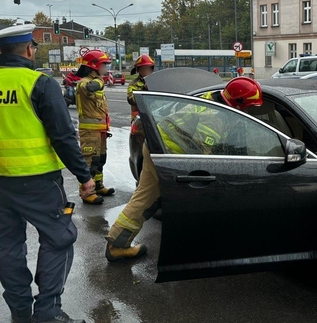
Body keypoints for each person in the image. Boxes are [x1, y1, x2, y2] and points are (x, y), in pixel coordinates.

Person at [104, 77, 263, 261]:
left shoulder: (212, 97)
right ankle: (119, 246)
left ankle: (117, 243)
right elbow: (202, 155)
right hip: (168, 152)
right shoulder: (214, 118)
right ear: (239, 102)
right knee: (152, 200)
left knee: (144, 197)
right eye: (248, 106)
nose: (248, 111)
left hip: (156, 145)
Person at [0, 24, 94, 323]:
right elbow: (63, 137)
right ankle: (48, 313)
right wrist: (84, 176)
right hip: (38, 181)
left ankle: (19, 314)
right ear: (29, 49)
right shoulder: (38, 83)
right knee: (58, 238)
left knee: (6, 247)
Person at [75, 50, 115, 204]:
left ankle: (98, 186)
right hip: (89, 132)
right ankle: (86, 193)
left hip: (100, 131)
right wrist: (101, 81)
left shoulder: (97, 81)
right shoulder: (84, 83)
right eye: (103, 65)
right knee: (89, 162)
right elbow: (90, 87)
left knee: (100, 160)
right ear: (94, 66)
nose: (105, 68)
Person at [127, 54, 154, 123]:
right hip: (139, 120)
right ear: (139, 70)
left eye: (148, 68)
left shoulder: (156, 81)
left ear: (152, 69)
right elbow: (131, 100)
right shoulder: (133, 84)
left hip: (154, 117)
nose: (146, 70)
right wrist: (144, 90)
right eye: (143, 68)